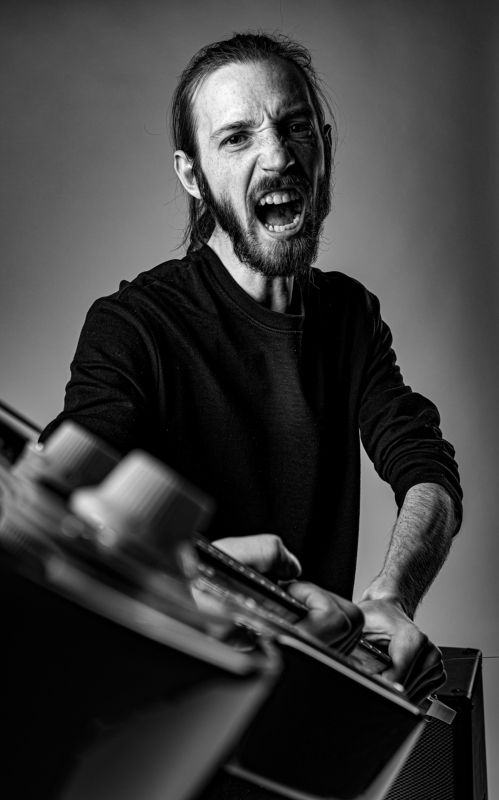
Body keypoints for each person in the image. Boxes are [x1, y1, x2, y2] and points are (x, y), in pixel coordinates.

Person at [42, 33, 461, 696]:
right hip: (171, 698)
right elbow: (65, 507)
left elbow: (426, 467)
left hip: (307, 696)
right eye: (237, 138)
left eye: (295, 128)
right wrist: (199, 576)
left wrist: (392, 596)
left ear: (324, 148)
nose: (278, 156)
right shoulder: (133, 327)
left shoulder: (349, 316)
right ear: (192, 175)